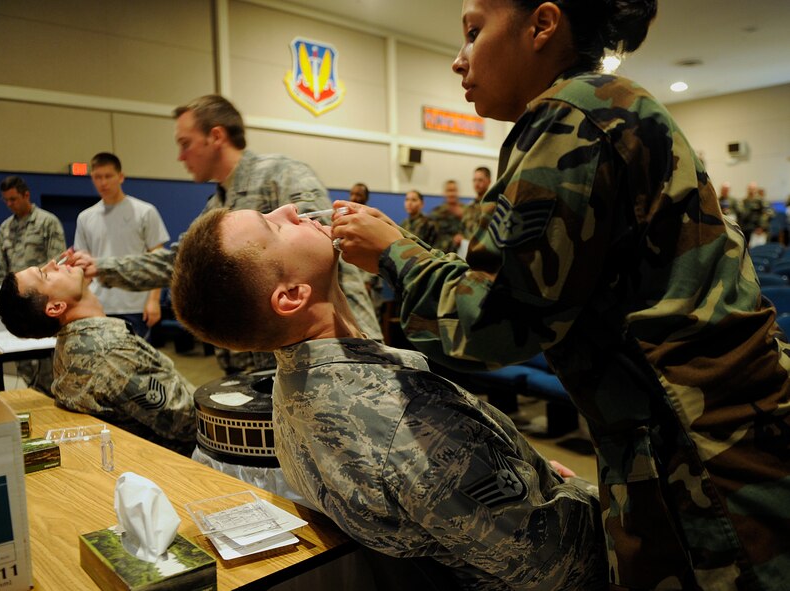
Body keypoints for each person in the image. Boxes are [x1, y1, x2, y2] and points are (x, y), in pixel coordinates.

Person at [330, 1, 790, 589]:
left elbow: (497, 324)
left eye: (474, 32)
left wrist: (395, 253)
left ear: (542, 25)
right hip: (706, 433)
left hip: (699, 455)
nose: (458, 60)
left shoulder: (572, 112)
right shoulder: (608, 103)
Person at [170, 204, 606, 590]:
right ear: (291, 296)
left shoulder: (294, 388)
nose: (288, 209)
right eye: (274, 227)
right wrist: (584, 492)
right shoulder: (410, 421)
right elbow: (556, 563)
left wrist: (519, 471)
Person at [67, 94, 381, 375]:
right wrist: (100, 267)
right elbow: (176, 264)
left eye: (185, 143)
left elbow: (331, 256)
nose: (180, 157)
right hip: (254, 370)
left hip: (320, 365)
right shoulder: (214, 206)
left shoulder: (280, 175)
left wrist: (367, 350)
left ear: (215, 136)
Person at [0, 259, 196, 454]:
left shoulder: (74, 344)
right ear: (56, 307)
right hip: (186, 463)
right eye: (45, 274)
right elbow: (188, 421)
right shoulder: (110, 354)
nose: (53, 263)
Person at [74, 152, 170, 339]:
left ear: (121, 177)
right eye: (97, 177)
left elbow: (157, 259)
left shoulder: (145, 211)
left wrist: (154, 301)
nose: (103, 183)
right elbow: (82, 269)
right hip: (99, 305)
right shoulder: (85, 217)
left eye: (108, 176)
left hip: (135, 305)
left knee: (136, 365)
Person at [0, 175, 66, 394]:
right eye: (6, 200)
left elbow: (58, 263)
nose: (10, 204)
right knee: (25, 368)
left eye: (13, 199)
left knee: (47, 368)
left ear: (26, 195)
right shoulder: (5, 228)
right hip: (18, 308)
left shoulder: (47, 222)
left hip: (41, 305)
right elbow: (2, 270)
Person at [428, 179, 464, 253]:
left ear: (458, 192)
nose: (451, 194)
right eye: (449, 191)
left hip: (462, 254)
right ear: (444, 193)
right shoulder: (436, 213)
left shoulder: (467, 212)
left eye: (454, 190)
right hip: (442, 255)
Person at [459, 167, 492, 244]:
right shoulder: (468, 207)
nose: (476, 183)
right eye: (474, 180)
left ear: (489, 181)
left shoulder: (493, 206)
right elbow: (462, 229)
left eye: (480, 180)